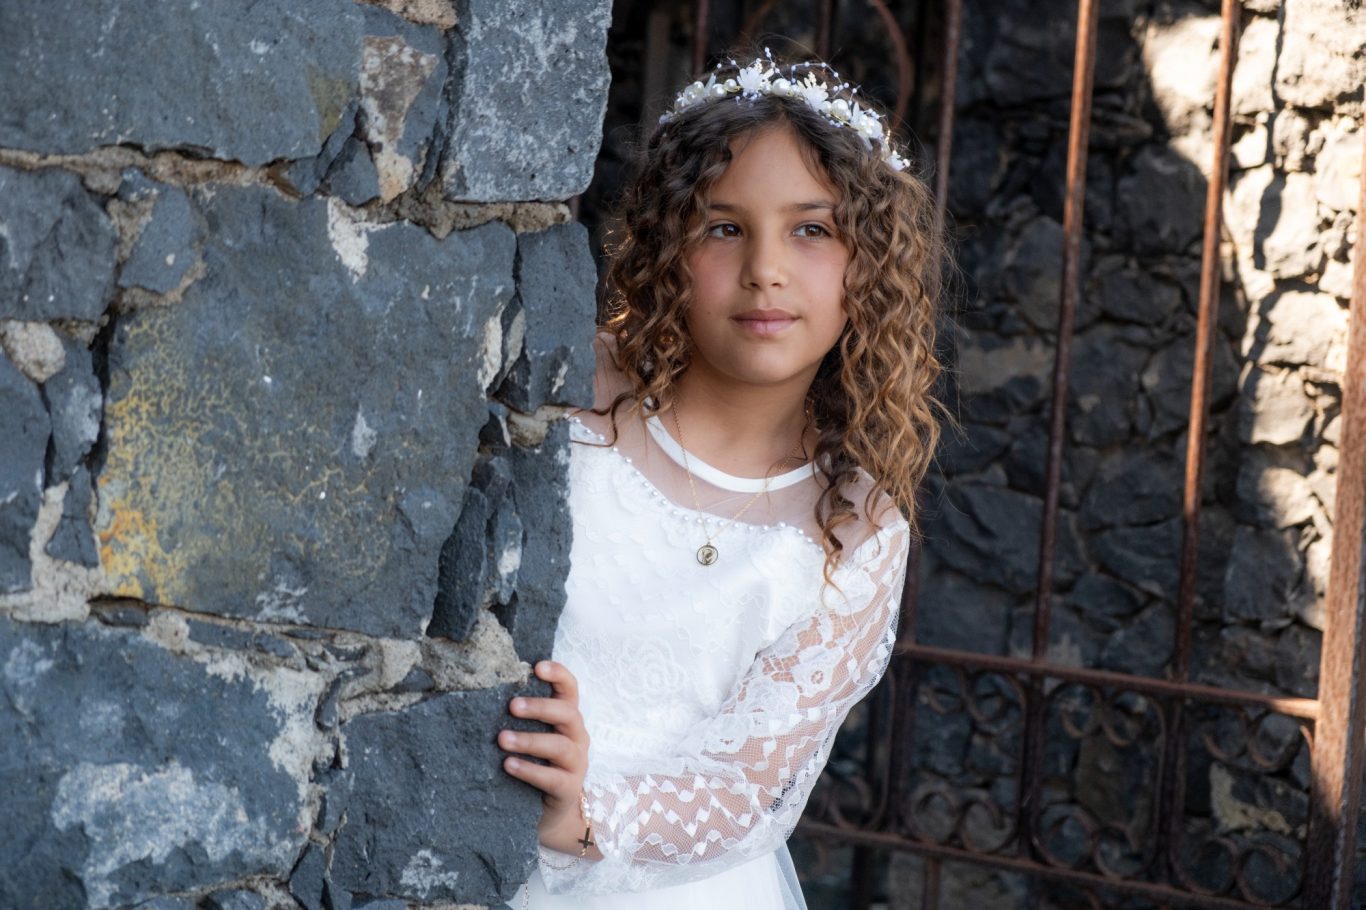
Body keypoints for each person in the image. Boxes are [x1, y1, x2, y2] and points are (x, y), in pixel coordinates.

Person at [499, 50, 948, 910]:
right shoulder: (573, 397)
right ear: (670, 244)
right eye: (724, 226)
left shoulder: (852, 525)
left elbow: (747, 792)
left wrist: (581, 814)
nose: (765, 269)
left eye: (812, 229)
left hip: (665, 879)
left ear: (872, 263)